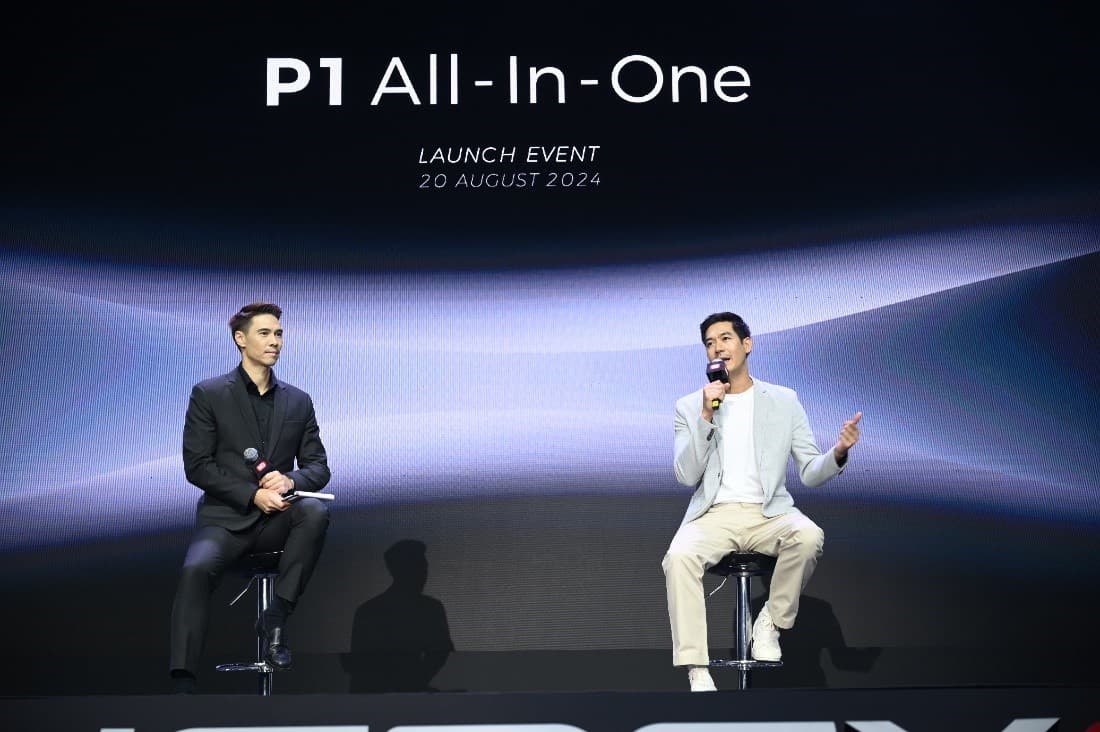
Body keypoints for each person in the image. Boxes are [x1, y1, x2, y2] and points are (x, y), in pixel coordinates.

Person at [663, 312, 861, 692]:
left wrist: (838, 452)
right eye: (709, 343)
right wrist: (706, 415)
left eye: (725, 338)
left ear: (746, 344)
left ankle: (770, 621)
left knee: (809, 536)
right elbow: (686, 475)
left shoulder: (784, 400)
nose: (717, 348)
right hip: (715, 514)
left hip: (769, 513)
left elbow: (810, 471)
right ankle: (697, 668)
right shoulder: (689, 406)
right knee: (679, 557)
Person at [169, 302, 331, 693]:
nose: (275, 341)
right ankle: (182, 680)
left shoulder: (298, 401)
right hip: (225, 522)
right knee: (195, 571)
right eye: (265, 333)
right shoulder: (209, 394)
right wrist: (252, 494)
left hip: (276, 522)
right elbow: (198, 466)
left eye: (279, 333)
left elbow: (318, 467)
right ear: (240, 340)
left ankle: (276, 617)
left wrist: (290, 480)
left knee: (314, 511)